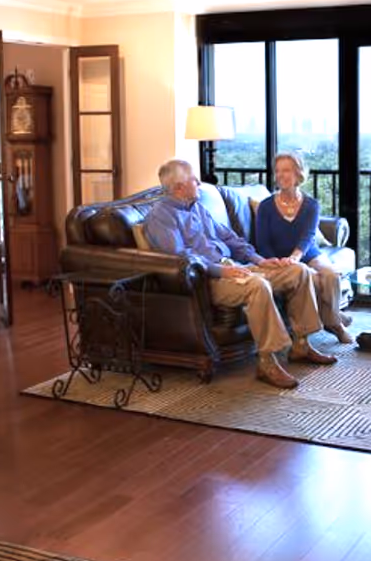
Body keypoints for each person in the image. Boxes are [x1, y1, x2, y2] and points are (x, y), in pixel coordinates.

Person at [143, 158, 336, 389]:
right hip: (210, 278)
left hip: (233, 266)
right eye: (195, 179)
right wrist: (222, 271)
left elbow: (228, 237)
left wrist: (259, 260)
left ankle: (301, 345)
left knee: (298, 271)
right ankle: (266, 363)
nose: (199, 183)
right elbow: (180, 259)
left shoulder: (196, 207)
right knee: (257, 286)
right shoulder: (161, 217)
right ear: (178, 187)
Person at [255, 152, 353, 344]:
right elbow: (262, 242)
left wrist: (295, 257)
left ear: (298, 173)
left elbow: (308, 236)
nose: (281, 175)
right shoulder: (266, 206)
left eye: (286, 170)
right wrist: (276, 261)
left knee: (331, 275)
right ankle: (336, 322)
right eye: (278, 171)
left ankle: (333, 321)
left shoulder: (311, 205)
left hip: (308, 254)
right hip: (278, 259)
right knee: (313, 279)